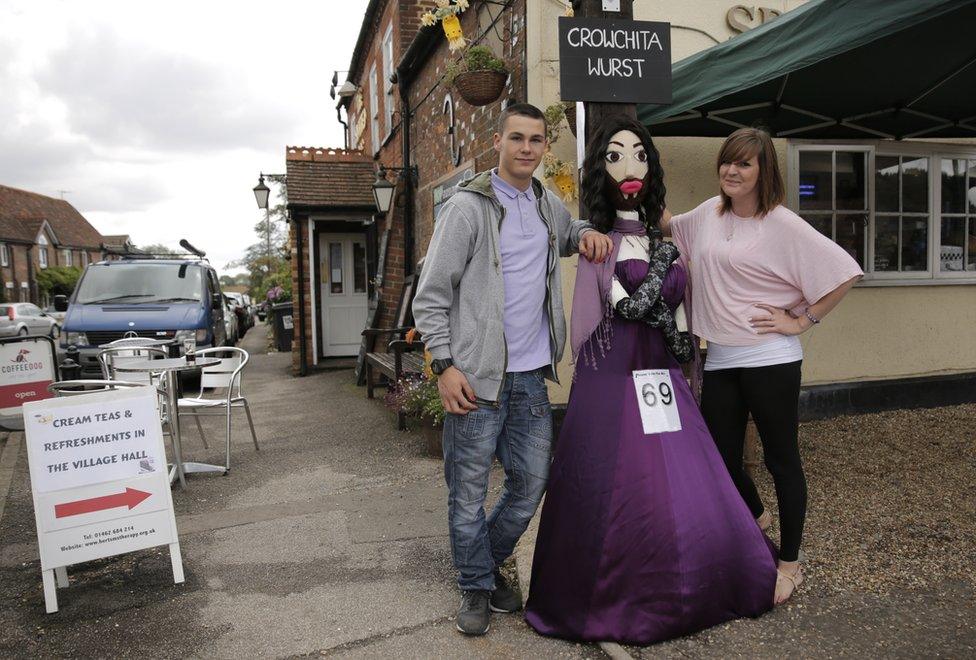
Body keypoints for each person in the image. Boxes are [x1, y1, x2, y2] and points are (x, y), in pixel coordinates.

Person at [525, 115, 777, 645]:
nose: (629, 166)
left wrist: (686, 334)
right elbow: (634, 307)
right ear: (600, 169)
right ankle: (617, 593)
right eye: (615, 156)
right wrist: (663, 274)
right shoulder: (600, 243)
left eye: (639, 154)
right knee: (617, 480)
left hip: (662, 374)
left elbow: (680, 323)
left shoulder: (667, 237)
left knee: (682, 473)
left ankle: (705, 571)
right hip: (613, 372)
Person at [412, 102, 613, 636]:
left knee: (531, 482)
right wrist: (444, 364)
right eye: (517, 138)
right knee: (468, 491)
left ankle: (479, 560)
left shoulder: (547, 203)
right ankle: (477, 586)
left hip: (529, 375)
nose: (527, 148)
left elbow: (569, 236)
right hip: (476, 376)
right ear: (497, 143)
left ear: (546, 148)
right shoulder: (467, 208)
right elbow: (430, 296)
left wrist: (588, 231)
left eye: (536, 140)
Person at [664, 127, 863, 605]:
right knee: (722, 458)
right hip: (722, 356)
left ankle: (790, 564)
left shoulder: (782, 223)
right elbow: (666, 222)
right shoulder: (708, 215)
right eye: (727, 162)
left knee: (781, 460)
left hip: (770, 358)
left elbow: (845, 269)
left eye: (744, 164)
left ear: (762, 171)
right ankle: (757, 518)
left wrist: (801, 320)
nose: (732, 171)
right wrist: (630, 175)